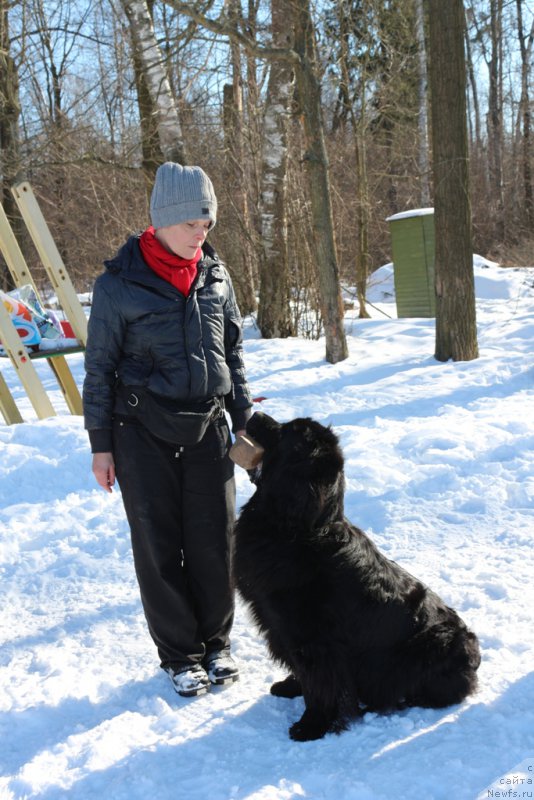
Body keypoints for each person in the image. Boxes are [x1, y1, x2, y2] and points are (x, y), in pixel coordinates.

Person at [83, 162, 253, 698]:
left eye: (207, 224)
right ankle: (180, 653)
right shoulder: (118, 284)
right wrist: (101, 445)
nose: (201, 233)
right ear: (160, 222)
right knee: (159, 546)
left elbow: (233, 354)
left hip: (207, 427)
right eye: (191, 224)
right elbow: (99, 369)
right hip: (140, 431)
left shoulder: (216, 277)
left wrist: (245, 426)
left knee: (216, 541)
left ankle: (217, 644)